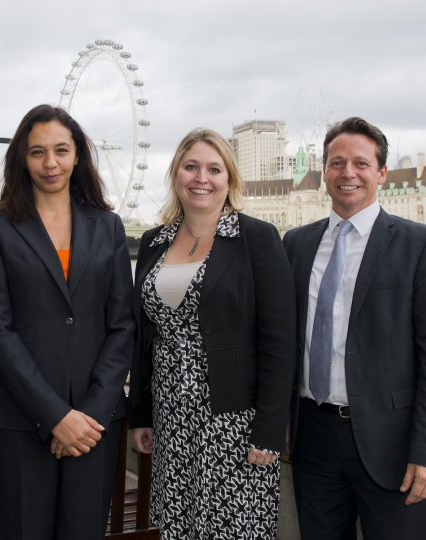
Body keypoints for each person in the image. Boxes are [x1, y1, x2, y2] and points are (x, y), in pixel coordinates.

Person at [282, 117, 426, 539]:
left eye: (361, 164)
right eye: (337, 163)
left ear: (381, 172)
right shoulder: (296, 244)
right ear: (324, 171)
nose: (348, 173)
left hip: (392, 444)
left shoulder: (422, 244)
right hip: (313, 437)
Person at [0, 104, 134, 539]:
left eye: (61, 150)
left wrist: (90, 412)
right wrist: (55, 415)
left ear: (78, 155)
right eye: (37, 152)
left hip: (94, 422)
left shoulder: (108, 226)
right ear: (21, 159)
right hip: (17, 418)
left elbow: (123, 325)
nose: (50, 163)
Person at [128, 128, 296, 538]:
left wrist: (271, 429)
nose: (201, 177)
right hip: (170, 419)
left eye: (213, 169)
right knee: (178, 527)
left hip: (234, 420)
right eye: (191, 167)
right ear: (176, 175)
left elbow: (280, 338)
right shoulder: (154, 242)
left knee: (232, 528)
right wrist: (141, 414)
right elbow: (143, 338)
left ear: (229, 180)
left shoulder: (255, 238)